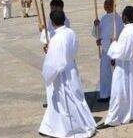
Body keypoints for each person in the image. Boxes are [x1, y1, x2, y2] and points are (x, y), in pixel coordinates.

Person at [38, 10, 96, 138]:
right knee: (73, 98)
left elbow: (54, 63)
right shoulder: (71, 32)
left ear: (52, 22)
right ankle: (52, 126)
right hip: (71, 68)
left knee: (67, 101)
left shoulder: (56, 39)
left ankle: (74, 128)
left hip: (62, 74)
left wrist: (47, 75)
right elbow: (73, 49)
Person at [100, 6, 133, 127]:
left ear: (125, 16)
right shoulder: (128, 29)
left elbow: (123, 52)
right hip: (127, 64)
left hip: (124, 66)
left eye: (123, 14)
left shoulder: (128, 32)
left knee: (118, 91)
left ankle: (112, 118)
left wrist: (113, 44)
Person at [91, 0, 124, 102]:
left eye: (107, 4)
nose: (105, 6)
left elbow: (115, 36)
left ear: (112, 6)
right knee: (105, 73)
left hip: (113, 50)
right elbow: (97, 34)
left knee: (113, 73)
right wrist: (96, 25)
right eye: (105, 4)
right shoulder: (104, 18)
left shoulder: (117, 19)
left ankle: (114, 94)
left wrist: (102, 42)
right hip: (106, 51)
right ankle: (105, 94)